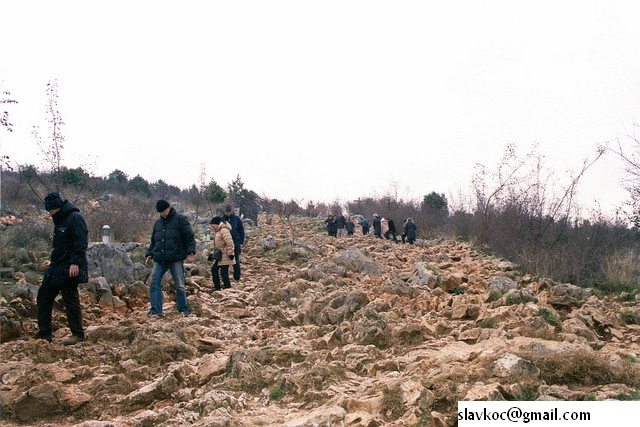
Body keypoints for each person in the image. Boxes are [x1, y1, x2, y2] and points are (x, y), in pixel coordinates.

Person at [34, 192, 88, 345]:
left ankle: (77, 334)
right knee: (43, 295)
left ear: (57, 207)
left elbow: (81, 242)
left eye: (51, 210)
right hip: (57, 264)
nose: (50, 214)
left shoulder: (75, 218)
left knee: (70, 298)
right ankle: (44, 333)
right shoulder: (60, 219)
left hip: (70, 266)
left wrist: (75, 263)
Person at [145, 200, 195, 317]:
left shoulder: (181, 220)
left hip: (175, 258)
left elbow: (189, 237)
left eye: (163, 211)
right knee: (154, 282)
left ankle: (183, 309)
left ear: (168, 208)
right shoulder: (158, 224)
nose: (161, 214)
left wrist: (191, 252)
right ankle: (156, 310)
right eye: (160, 212)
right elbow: (154, 241)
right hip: (160, 258)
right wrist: (149, 254)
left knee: (180, 284)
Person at [208, 216, 236, 291]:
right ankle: (218, 286)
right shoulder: (218, 231)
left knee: (223, 272)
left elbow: (230, 243)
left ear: (217, 224)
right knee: (214, 269)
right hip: (219, 255)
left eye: (213, 226)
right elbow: (217, 244)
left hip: (225, 255)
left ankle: (226, 287)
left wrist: (230, 253)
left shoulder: (224, 230)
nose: (212, 228)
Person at [222, 204, 245, 281]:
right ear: (224, 211)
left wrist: (241, 242)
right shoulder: (222, 220)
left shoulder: (237, 219)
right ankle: (225, 279)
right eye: (227, 212)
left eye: (229, 211)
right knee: (224, 261)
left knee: (236, 260)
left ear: (232, 211)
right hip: (224, 243)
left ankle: (237, 277)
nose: (228, 213)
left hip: (236, 242)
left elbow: (241, 231)